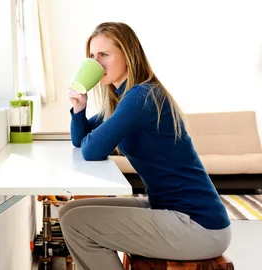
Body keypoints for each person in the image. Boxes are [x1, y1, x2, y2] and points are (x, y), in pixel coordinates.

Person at [59, 22, 231, 270]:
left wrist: (85, 127)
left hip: (199, 226)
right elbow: (81, 139)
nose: (96, 64)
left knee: (76, 222)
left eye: (104, 55)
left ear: (128, 56)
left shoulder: (142, 97)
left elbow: (91, 150)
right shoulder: (125, 99)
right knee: (69, 211)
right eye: (92, 57)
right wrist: (78, 107)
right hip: (168, 208)